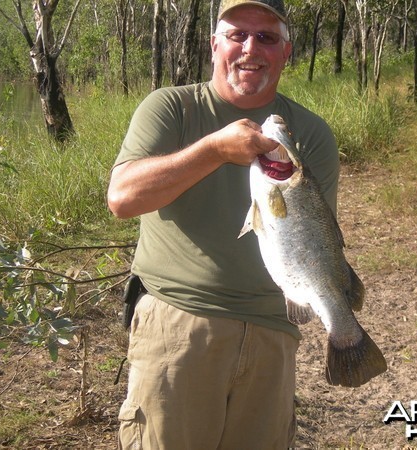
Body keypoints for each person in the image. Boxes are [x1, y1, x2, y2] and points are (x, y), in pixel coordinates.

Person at [107, 0, 340, 448]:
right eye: (237, 35)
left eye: (267, 37)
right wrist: (212, 150)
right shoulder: (170, 107)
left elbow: (317, 241)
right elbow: (122, 198)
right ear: (214, 44)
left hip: (272, 329)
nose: (251, 48)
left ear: (285, 53)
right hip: (178, 323)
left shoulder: (310, 134)